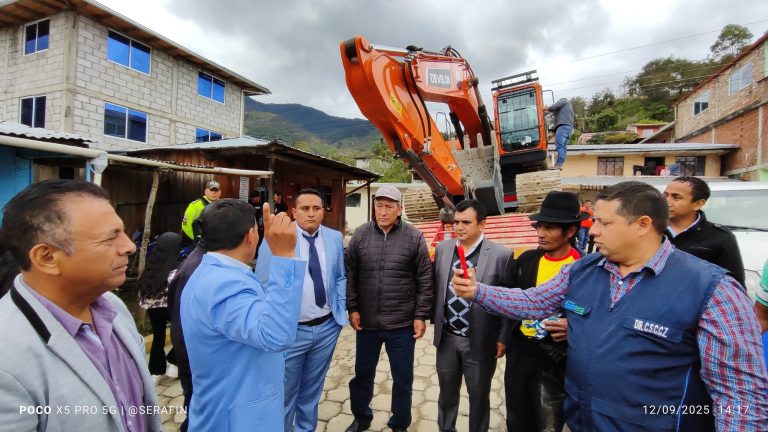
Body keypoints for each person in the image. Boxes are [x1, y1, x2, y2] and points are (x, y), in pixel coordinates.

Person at [451, 181, 768, 431]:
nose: (594, 230)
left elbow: (741, 399)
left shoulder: (714, 290)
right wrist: (477, 291)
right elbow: (533, 302)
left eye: (604, 222)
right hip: (584, 421)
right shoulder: (583, 270)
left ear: (642, 224)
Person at [0, 179, 162, 431]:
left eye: (123, 233)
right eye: (110, 239)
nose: (129, 247)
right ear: (47, 257)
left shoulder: (112, 307)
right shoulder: (7, 361)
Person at [180, 198, 305, 431]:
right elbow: (275, 336)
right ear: (251, 235)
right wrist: (284, 255)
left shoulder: (209, 271)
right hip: (238, 418)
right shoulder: (224, 284)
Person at [256, 188, 348, 431]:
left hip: (327, 327)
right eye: (305, 209)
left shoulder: (334, 238)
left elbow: (340, 276)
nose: (311, 214)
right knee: (285, 393)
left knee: (312, 391)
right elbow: (264, 284)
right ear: (294, 212)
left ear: (323, 212)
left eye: (316, 208)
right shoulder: (278, 239)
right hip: (292, 333)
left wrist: (341, 308)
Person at [345, 185, 434, 432]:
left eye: (389, 207)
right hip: (367, 323)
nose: (382, 212)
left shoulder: (414, 237)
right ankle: (362, 418)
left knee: (403, 379)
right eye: (379, 206)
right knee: (362, 375)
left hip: (401, 324)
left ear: (399, 210)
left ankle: (400, 424)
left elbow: (425, 279)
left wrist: (420, 314)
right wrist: (352, 307)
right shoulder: (360, 235)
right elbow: (350, 275)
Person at [504, 191, 587, 432]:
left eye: (549, 228)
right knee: (517, 418)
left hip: (556, 359)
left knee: (548, 422)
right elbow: (509, 298)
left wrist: (574, 327)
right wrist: (502, 339)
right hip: (520, 354)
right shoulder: (526, 260)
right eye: (539, 226)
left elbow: (591, 312)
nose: (540, 233)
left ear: (570, 231)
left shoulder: (584, 267)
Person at [432, 199, 511, 432]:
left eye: (466, 222)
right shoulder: (443, 249)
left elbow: (508, 300)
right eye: (456, 222)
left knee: (478, 397)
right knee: (446, 394)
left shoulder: (501, 255)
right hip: (446, 338)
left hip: (479, 341)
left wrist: (503, 337)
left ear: (482, 224)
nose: (459, 227)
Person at [664, 176, 745, 286]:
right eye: (665, 195)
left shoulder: (720, 237)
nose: (667, 202)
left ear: (698, 204)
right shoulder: (650, 230)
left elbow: (733, 284)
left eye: (676, 197)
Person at [167, 244, 205, 432]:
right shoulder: (194, 269)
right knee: (196, 414)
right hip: (194, 361)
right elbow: (182, 322)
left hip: (197, 360)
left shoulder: (204, 261)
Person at [137, 232, 181, 384]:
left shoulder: (151, 267)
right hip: (171, 308)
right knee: (183, 333)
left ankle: (156, 371)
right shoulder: (176, 270)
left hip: (152, 309)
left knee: (158, 337)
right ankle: (174, 361)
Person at [181, 180, 221, 245]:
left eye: (216, 190)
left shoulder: (223, 205)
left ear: (220, 192)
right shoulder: (195, 205)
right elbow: (185, 225)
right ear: (205, 191)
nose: (214, 193)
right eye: (211, 190)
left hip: (217, 244)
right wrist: (196, 240)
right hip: (200, 244)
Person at [545, 98, 574, 170]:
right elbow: (553, 114)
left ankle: (559, 164)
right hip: (568, 129)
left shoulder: (564, 100)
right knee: (563, 147)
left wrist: (545, 108)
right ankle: (560, 163)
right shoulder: (565, 111)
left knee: (560, 146)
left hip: (563, 127)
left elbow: (553, 107)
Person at [249, 190, 265, 260]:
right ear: (253, 198)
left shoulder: (262, 205)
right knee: (252, 241)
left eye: (259, 196)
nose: (259, 198)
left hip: (260, 228)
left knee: (260, 242)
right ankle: (252, 255)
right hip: (251, 227)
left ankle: (258, 255)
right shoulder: (249, 205)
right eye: (257, 196)